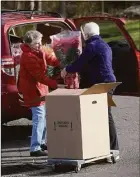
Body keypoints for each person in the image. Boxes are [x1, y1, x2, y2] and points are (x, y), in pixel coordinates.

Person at [61, 22, 119, 162]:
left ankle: (114, 149)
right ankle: (103, 148)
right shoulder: (104, 45)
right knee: (101, 115)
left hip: (102, 84)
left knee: (105, 116)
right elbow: (92, 63)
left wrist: (66, 69)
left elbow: (79, 65)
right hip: (109, 82)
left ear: (86, 35)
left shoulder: (91, 47)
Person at [18, 30, 60, 156]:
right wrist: (55, 84)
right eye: (36, 43)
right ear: (29, 44)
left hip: (40, 88)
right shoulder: (27, 57)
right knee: (39, 118)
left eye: (40, 42)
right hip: (33, 91)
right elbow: (39, 76)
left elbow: (50, 58)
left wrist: (61, 62)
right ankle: (35, 148)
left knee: (44, 116)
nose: (39, 45)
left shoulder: (38, 50)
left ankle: (41, 143)